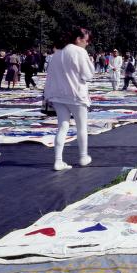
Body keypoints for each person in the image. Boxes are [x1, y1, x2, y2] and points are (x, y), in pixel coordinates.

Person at [43, 26, 94, 171]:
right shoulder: (79, 51)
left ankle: (58, 161)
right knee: (81, 126)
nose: (87, 43)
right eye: (86, 40)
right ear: (79, 39)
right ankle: (83, 156)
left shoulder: (57, 54)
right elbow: (88, 75)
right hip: (76, 95)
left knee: (62, 126)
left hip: (58, 95)